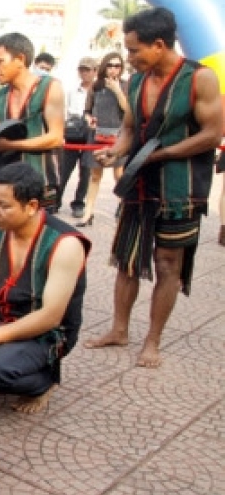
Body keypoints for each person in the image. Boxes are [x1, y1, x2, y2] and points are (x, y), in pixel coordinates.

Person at [85, 7, 222, 368]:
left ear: (159, 45)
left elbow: (213, 133)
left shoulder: (201, 78)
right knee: (126, 261)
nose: (128, 58)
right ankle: (118, 329)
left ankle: (153, 340)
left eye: (133, 50)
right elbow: (131, 128)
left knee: (166, 264)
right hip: (139, 186)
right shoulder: (137, 81)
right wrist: (115, 152)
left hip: (181, 190)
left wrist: (163, 154)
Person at [0, 162, 90, 414]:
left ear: (32, 206)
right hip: (1, 317)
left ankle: (44, 381)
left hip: (46, 334)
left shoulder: (65, 244)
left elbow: (50, 317)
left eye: (3, 206)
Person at [0, 32, 65, 211]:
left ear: (20, 59)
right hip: (7, 188)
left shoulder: (50, 87)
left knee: (40, 237)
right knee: (1, 237)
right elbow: (0, 143)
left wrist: (8, 145)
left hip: (41, 185)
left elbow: (55, 138)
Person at [75, 51, 129, 227]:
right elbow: (87, 111)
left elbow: (128, 110)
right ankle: (88, 213)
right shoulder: (95, 86)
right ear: (104, 67)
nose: (114, 69)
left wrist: (117, 90)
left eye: (117, 66)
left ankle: (124, 206)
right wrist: (88, 119)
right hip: (97, 135)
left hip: (118, 136)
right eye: (110, 65)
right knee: (95, 175)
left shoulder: (126, 85)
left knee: (118, 174)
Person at [57, 56, 97, 219]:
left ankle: (79, 203)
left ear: (95, 72)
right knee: (64, 169)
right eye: (82, 69)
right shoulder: (72, 92)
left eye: (88, 70)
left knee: (86, 171)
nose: (84, 73)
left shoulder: (100, 91)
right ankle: (55, 200)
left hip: (91, 133)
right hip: (73, 132)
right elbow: (64, 112)